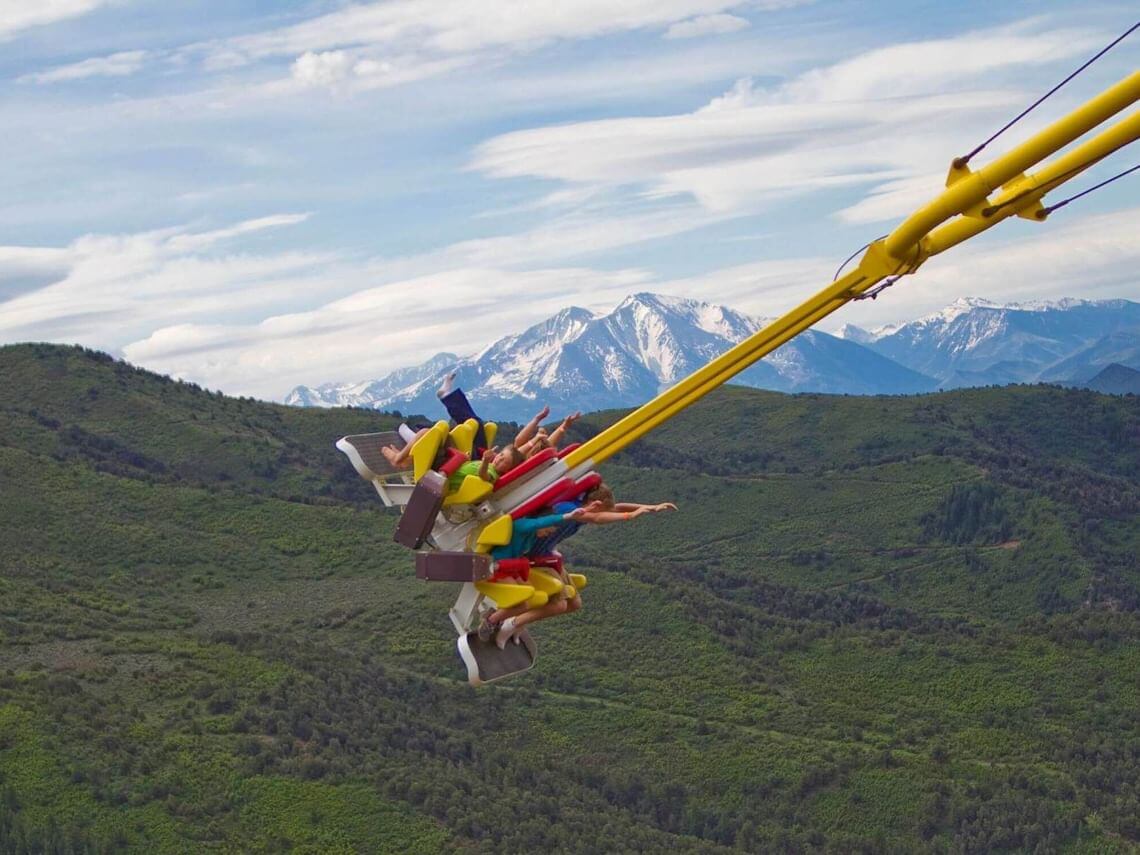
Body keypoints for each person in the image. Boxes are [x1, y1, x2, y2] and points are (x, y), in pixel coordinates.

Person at [484, 484, 678, 647]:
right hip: (535, 558)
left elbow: (615, 509)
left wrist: (650, 507)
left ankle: (517, 624)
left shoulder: (584, 507)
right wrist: (631, 516)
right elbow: (597, 517)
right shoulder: (568, 510)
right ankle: (511, 624)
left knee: (574, 604)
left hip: (548, 557)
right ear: (596, 504)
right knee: (558, 604)